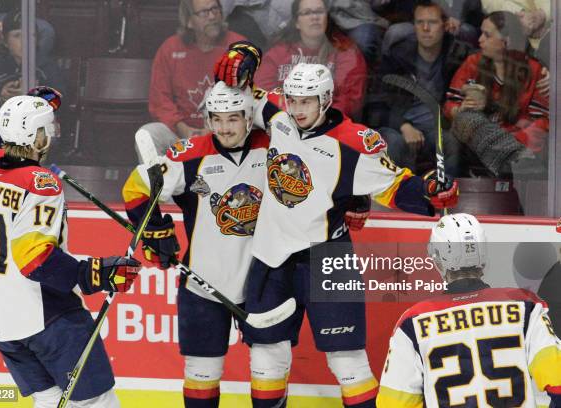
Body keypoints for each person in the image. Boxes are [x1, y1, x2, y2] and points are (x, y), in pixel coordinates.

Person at [215, 43, 459, 408]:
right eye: (293, 99)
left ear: (325, 99)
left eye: (306, 101)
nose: (296, 109)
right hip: (270, 256)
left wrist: (429, 192)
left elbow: (397, 186)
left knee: (347, 362)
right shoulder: (277, 114)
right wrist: (242, 53)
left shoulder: (354, 144)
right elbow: (235, 84)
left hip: (328, 256)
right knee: (266, 358)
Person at [0, 95, 141, 407]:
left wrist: (25, 109)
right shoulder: (40, 184)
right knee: (96, 402)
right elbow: (35, 260)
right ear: (37, 136)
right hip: (47, 318)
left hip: (2, 322)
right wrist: (96, 274)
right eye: (47, 129)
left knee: (49, 400)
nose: (53, 135)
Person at [123, 82, 269, 408]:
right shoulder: (189, 154)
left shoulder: (271, 149)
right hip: (203, 284)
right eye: (216, 119)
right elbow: (135, 188)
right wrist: (155, 231)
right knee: (202, 373)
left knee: (269, 370)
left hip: (263, 284)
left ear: (249, 117)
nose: (224, 128)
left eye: (233, 119)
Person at [377, 213, 561, 407]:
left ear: (437, 259)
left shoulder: (411, 322)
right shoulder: (526, 307)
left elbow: (394, 403)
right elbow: (557, 381)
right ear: (483, 252)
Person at [443, 11, 549, 177]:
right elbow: (451, 103)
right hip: (475, 141)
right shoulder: (473, 63)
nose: (479, 40)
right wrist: (459, 109)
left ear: (506, 41)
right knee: (465, 121)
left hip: (515, 145)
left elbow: (540, 122)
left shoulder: (535, 70)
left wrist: (515, 139)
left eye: (487, 35)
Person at [376, 0, 472, 175]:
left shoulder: (456, 55)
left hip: (435, 129)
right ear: (414, 26)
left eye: (433, 22)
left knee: (451, 143)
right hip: (396, 126)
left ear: (445, 25)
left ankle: (446, 198)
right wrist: (403, 125)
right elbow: (377, 104)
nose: (425, 28)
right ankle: (404, 200)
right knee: (395, 143)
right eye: (420, 22)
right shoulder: (397, 56)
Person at [144, 0, 246, 155]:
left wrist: (216, 127)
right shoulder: (170, 49)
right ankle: (158, 180)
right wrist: (181, 127)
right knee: (148, 136)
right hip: (181, 134)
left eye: (215, 9)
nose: (212, 16)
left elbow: (250, 96)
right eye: (204, 12)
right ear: (189, 21)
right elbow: (160, 100)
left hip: (226, 132)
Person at [255, 0, 367, 120]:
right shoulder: (278, 53)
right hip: (282, 124)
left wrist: (319, 119)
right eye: (307, 13)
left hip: (329, 126)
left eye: (319, 12)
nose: (314, 17)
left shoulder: (345, 51)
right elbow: (262, 91)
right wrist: (291, 117)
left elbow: (350, 99)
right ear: (297, 22)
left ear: (327, 18)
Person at [0, 10, 64, 108]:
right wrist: (1, 97)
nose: (25, 41)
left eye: (30, 35)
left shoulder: (47, 66)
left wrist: (33, 93)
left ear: (37, 40)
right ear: (5, 41)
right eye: (17, 35)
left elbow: (61, 103)